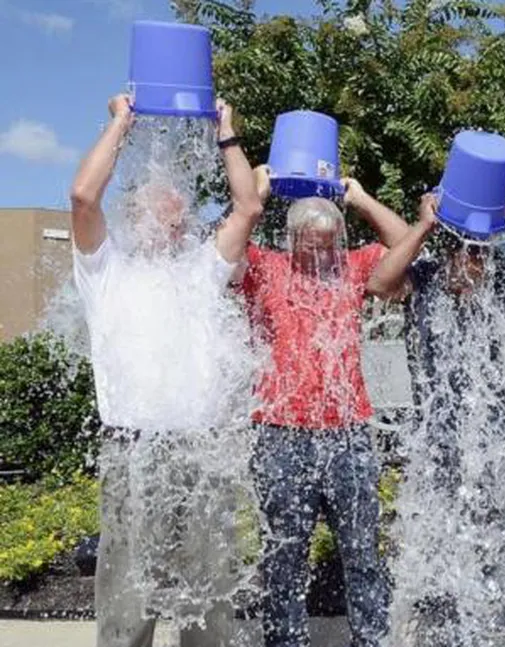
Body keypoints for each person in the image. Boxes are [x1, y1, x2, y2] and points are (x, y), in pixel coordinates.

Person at [71, 94, 263, 647]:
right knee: (128, 606)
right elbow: (84, 195)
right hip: (133, 449)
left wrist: (227, 131)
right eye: (161, 212)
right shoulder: (105, 272)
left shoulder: (200, 271)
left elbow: (247, 209)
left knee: (210, 606)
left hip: (201, 449)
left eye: (179, 216)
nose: (174, 223)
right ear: (134, 219)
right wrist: (121, 125)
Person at [371, 194, 505, 646]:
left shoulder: (499, 286)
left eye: (480, 253)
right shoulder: (422, 280)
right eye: (464, 251)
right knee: (442, 546)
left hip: (494, 442)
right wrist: (423, 227)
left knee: (503, 543)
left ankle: (502, 632)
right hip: (437, 447)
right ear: (447, 253)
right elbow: (380, 284)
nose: (473, 262)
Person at [238, 169, 411, 647]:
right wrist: (261, 191)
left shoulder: (353, 268)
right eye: (310, 243)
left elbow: (407, 244)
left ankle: (370, 641)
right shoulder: (265, 267)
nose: (320, 254)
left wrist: (362, 199)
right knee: (284, 556)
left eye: (328, 243)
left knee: (362, 551)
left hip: (348, 432)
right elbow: (227, 245)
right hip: (280, 434)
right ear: (290, 237)